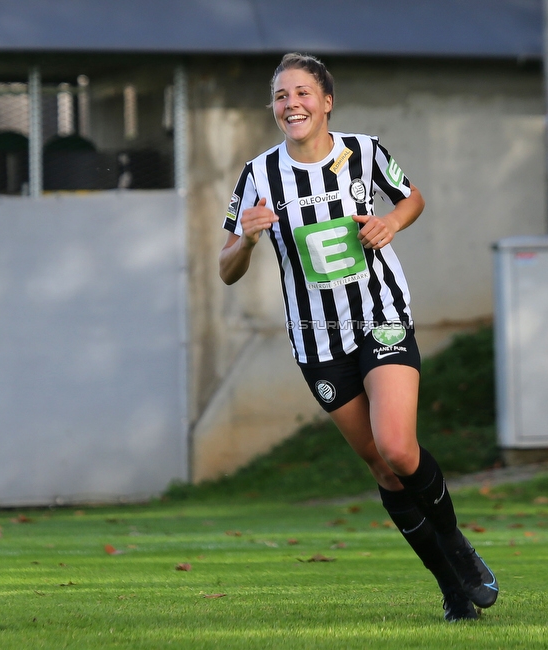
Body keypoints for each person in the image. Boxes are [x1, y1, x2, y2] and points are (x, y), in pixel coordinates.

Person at [219, 53, 498, 622]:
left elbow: (411, 197)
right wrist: (246, 241)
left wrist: (392, 222)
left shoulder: (366, 152)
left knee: (398, 445)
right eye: (280, 96)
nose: (290, 103)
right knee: (382, 466)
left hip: (380, 314)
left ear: (326, 101)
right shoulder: (257, 176)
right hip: (317, 338)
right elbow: (225, 267)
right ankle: (449, 589)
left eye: (301, 93)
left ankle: (461, 550)